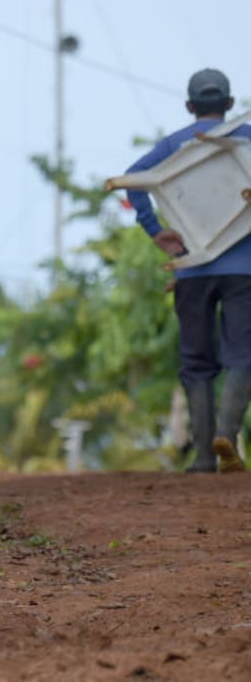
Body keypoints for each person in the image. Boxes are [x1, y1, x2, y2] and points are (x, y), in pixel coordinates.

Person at [125, 68, 251, 473]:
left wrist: (156, 231)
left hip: (191, 269)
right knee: (242, 355)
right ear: (230, 104)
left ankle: (201, 458)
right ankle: (227, 437)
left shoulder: (173, 145)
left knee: (196, 361)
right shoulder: (246, 137)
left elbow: (133, 182)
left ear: (190, 106)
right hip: (244, 270)